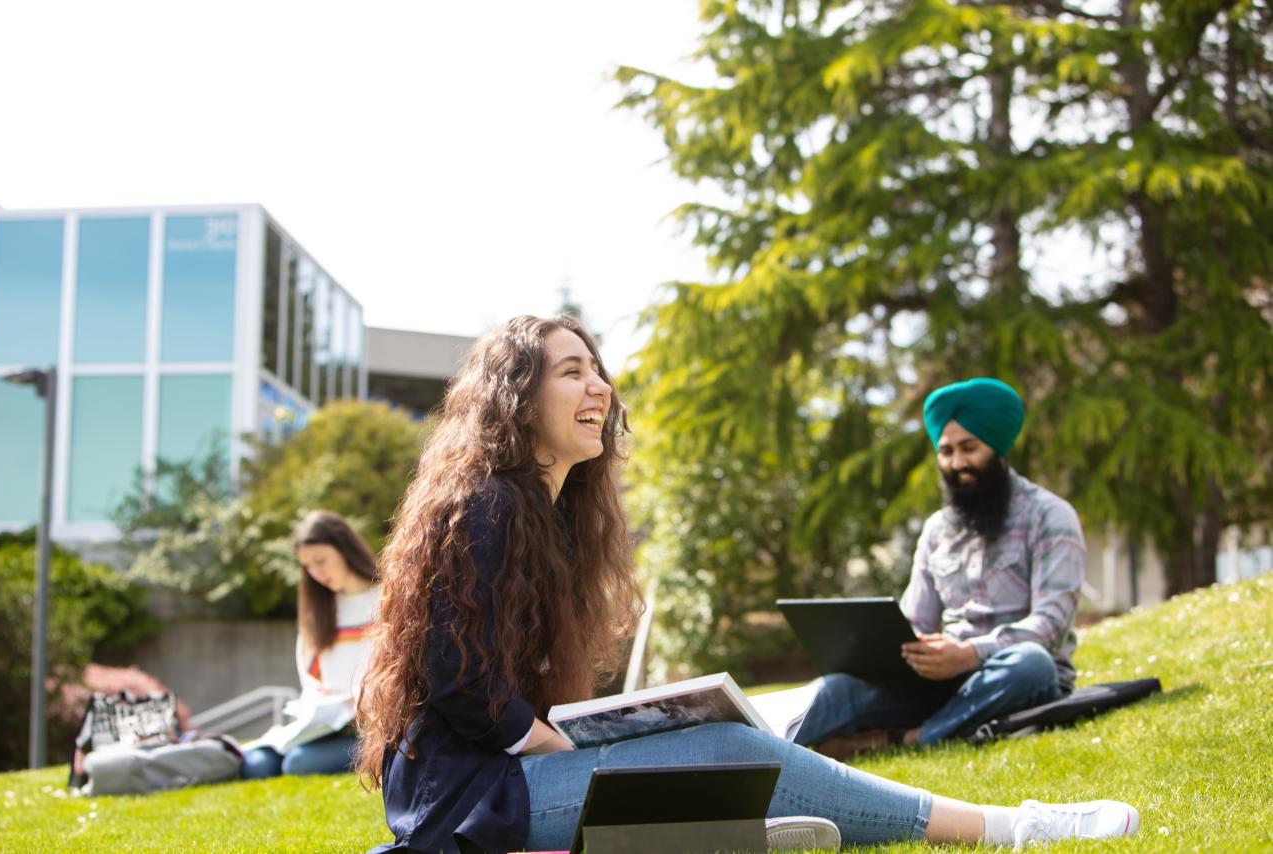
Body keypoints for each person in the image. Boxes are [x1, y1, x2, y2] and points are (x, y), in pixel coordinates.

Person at [358, 317, 1138, 853]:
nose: (598, 387)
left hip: (494, 783)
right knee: (733, 747)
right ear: (516, 397)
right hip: (468, 799)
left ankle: (743, 822)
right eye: (572, 371)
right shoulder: (488, 503)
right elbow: (456, 675)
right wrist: (546, 736)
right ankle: (1011, 827)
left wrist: (605, 723)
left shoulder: (547, 518)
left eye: (598, 369)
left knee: (719, 742)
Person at [794, 377, 1085, 756]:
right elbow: (916, 619)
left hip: (1015, 677)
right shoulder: (936, 529)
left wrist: (968, 654)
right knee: (837, 688)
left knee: (1031, 663)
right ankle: (756, 748)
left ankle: (906, 740)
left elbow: (1049, 624)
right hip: (940, 682)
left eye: (969, 448)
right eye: (945, 451)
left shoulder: (1049, 515)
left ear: (996, 448)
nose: (957, 463)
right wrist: (897, 652)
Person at [241, 510, 380, 779]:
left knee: (298, 764)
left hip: (374, 729)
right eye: (308, 566)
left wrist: (360, 702)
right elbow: (312, 684)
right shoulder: (318, 614)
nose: (317, 573)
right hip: (325, 727)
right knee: (257, 763)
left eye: (321, 560)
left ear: (344, 549)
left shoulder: (388, 600)